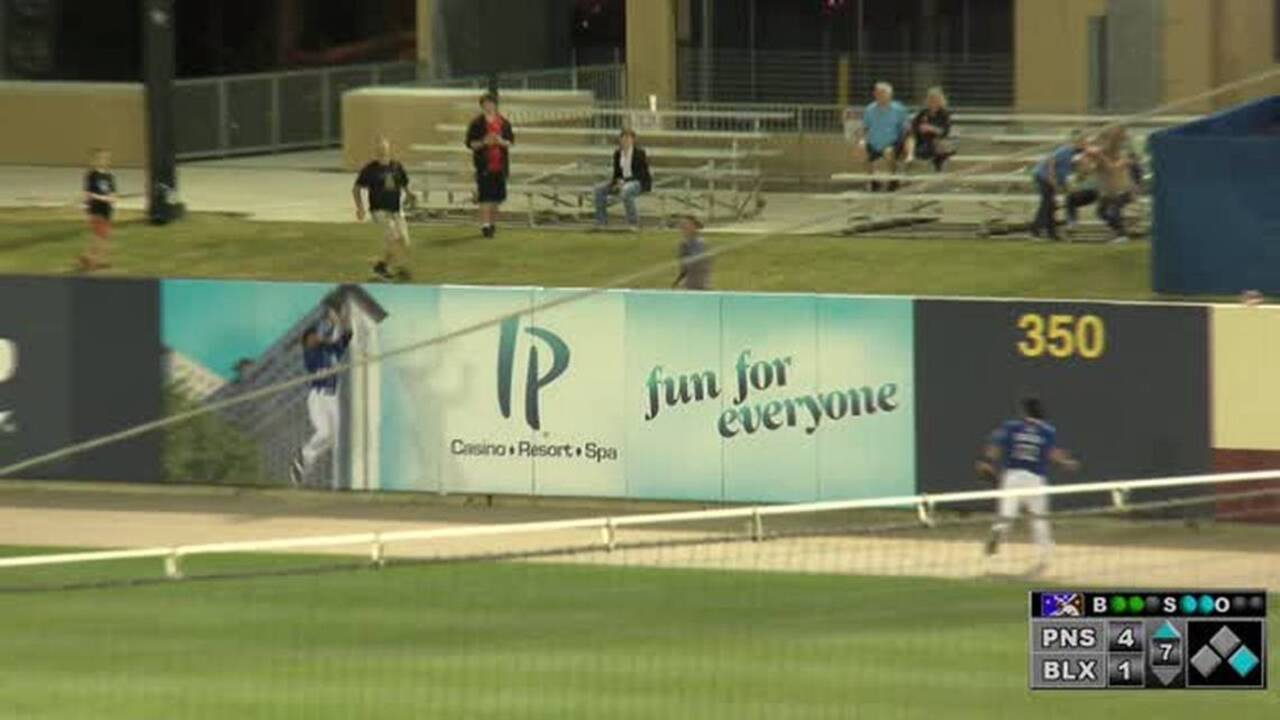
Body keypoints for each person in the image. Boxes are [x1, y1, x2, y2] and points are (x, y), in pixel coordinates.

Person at [976, 396, 1080, 574]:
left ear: (1024, 411)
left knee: (1006, 514)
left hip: (1012, 476)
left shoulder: (1011, 427)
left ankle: (997, 533)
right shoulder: (1047, 431)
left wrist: (986, 462)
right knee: (1039, 519)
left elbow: (994, 446)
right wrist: (1067, 462)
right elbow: (1053, 453)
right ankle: (1045, 558)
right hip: (1035, 479)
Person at [290, 298, 353, 487]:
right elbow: (324, 336)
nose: (314, 338)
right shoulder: (311, 353)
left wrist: (341, 321)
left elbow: (347, 335)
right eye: (311, 337)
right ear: (307, 342)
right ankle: (304, 453)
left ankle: (302, 467)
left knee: (333, 437)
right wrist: (333, 320)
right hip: (318, 396)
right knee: (324, 432)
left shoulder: (333, 350)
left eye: (314, 335)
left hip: (332, 397)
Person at [353, 137, 413, 281]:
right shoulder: (370, 169)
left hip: (396, 209)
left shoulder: (397, 166)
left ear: (388, 150)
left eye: (384, 149)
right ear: (376, 152)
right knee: (393, 237)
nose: (382, 152)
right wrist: (360, 208)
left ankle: (381, 266)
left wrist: (410, 195)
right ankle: (401, 267)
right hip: (379, 210)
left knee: (404, 240)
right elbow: (356, 189)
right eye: (379, 150)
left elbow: (403, 184)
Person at [465, 92, 515, 238]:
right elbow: (470, 144)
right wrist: (483, 142)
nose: (488, 106)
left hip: (500, 165)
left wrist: (500, 141)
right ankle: (485, 225)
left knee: (496, 198)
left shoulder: (504, 123)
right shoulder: (477, 123)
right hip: (484, 166)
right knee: (485, 197)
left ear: (495, 105)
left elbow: (510, 142)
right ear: (482, 106)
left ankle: (492, 223)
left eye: (491, 103)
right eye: (485, 104)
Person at [1030, 130, 1094, 241]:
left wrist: (1067, 189)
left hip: (1052, 180)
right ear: (1078, 142)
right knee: (1047, 203)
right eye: (1084, 143)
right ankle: (1035, 231)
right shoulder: (1066, 150)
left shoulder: (1076, 156)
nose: (1086, 145)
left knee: (1051, 205)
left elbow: (1070, 175)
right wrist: (1052, 179)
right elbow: (1051, 160)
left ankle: (1051, 234)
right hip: (1043, 176)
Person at [855, 81, 913, 192]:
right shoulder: (869, 109)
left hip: (892, 142)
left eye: (882, 93)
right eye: (877, 93)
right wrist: (861, 140)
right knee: (861, 149)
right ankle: (873, 180)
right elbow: (864, 128)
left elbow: (906, 128)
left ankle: (893, 179)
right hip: (873, 142)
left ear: (889, 95)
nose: (879, 95)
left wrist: (906, 144)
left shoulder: (898, 109)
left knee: (888, 151)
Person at [593, 128, 652, 230]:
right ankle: (601, 222)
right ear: (620, 140)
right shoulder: (617, 154)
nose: (625, 141)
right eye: (623, 138)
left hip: (638, 182)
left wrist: (624, 182)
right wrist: (615, 182)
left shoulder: (640, 153)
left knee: (626, 190)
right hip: (621, 182)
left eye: (628, 138)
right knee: (599, 190)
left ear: (633, 140)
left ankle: (633, 223)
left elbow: (641, 174)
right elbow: (616, 173)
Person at [80, 148, 116, 271]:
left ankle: (95, 259)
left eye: (106, 158)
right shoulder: (92, 175)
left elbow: (113, 193)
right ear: (95, 160)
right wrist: (92, 202)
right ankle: (92, 259)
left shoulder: (110, 176)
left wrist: (111, 198)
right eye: (101, 158)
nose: (104, 160)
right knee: (98, 235)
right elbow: (87, 193)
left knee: (104, 236)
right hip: (96, 209)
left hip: (107, 210)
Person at [910, 87, 954, 172]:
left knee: (939, 144)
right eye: (931, 99)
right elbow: (914, 126)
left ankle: (938, 161)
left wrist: (931, 128)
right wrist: (919, 128)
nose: (933, 101)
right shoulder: (923, 113)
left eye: (936, 99)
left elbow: (945, 131)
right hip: (923, 144)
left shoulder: (944, 113)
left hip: (938, 143)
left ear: (941, 100)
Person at [672, 216, 711, 290]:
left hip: (701, 284)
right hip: (688, 285)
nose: (683, 227)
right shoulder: (682, 244)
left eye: (686, 224)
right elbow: (683, 269)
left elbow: (700, 264)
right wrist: (678, 281)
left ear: (694, 226)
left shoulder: (701, 243)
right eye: (682, 225)